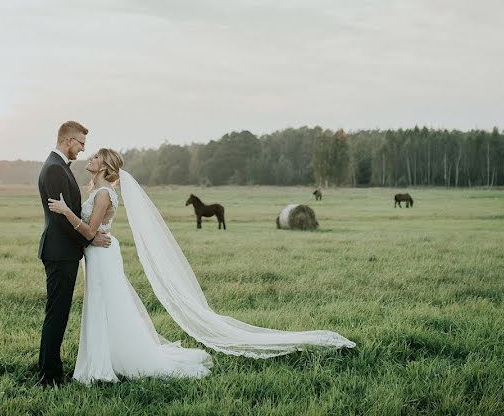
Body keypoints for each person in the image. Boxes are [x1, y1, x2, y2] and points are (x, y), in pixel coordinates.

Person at [48, 147, 355, 385]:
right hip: (100, 255)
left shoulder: (103, 193)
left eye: (95, 156)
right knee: (103, 308)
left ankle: (110, 363)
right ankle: (106, 359)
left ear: (104, 166)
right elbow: (93, 231)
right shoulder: (97, 189)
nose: (89, 157)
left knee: (107, 307)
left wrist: (64, 212)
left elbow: (89, 232)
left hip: (102, 255)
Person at [36, 121, 111, 388]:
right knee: (57, 313)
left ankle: (52, 369)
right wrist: (89, 237)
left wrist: (88, 237)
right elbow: (61, 220)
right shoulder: (55, 169)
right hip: (59, 252)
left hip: (63, 251)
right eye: (81, 144)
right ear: (69, 141)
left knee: (59, 311)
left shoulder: (57, 166)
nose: (82, 150)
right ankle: (49, 376)